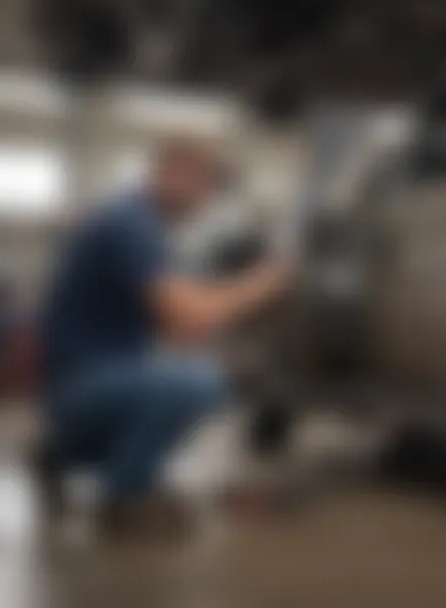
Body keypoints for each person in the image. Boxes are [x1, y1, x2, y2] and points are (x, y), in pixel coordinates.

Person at [36, 135, 292, 540]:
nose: (206, 200)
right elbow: (189, 318)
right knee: (201, 383)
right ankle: (126, 494)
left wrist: (216, 312)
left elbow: (178, 326)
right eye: (207, 185)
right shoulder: (131, 226)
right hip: (80, 388)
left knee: (189, 373)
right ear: (174, 172)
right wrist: (266, 280)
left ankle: (65, 454)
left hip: (76, 384)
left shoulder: (132, 222)